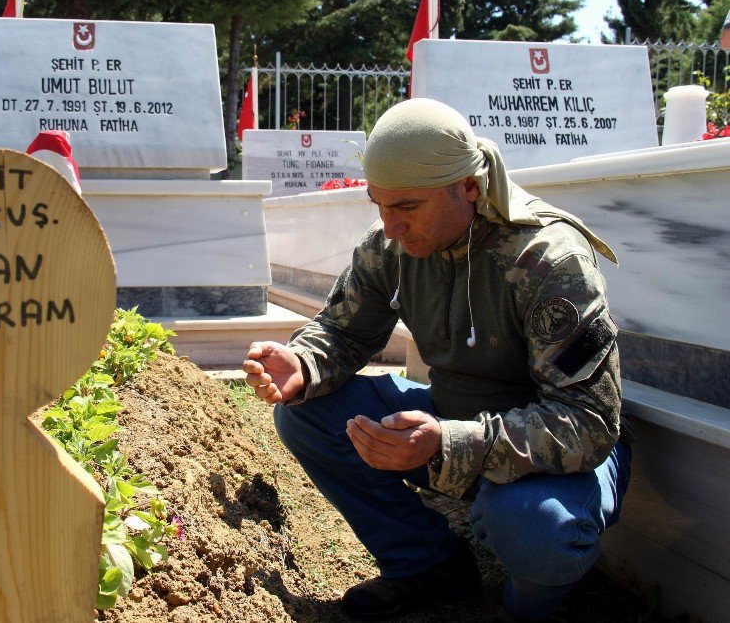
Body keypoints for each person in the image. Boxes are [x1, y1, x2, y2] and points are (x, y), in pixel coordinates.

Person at [243, 98, 633, 622]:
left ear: (468, 188)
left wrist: (451, 445)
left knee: (537, 528)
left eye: (406, 207)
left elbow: (588, 422)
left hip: (552, 455)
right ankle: (428, 565)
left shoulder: (547, 260)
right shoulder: (389, 248)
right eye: (379, 205)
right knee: (308, 414)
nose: (391, 226)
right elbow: (342, 331)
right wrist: (305, 363)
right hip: (451, 420)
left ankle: (529, 608)